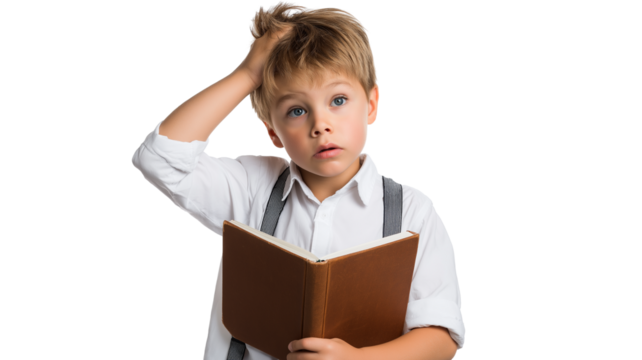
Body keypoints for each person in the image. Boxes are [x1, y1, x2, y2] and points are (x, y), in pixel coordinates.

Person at [131, 2, 464, 359]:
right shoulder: (252, 187)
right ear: (273, 134)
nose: (320, 124)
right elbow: (158, 158)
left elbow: (441, 337)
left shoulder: (412, 211)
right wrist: (248, 73)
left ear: (370, 105)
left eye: (338, 100)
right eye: (297, 110)